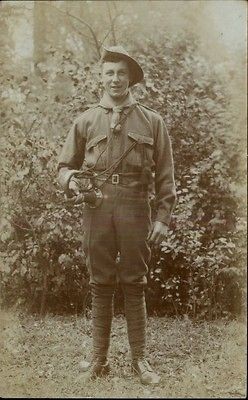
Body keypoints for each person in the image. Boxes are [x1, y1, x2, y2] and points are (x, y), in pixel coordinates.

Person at [57, 45, 177, 385]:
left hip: (136, 206)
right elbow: (64, 167)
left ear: (131, 79)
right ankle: (98, 359)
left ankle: (140, 360)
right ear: (101, 77)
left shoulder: (152, 121)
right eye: (109, 72)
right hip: (96, 207)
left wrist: (163, 217)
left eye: (121, 73)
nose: (115, 79)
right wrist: (72, 182)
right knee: (100, 282)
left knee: (134, 282)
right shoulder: (85, 120)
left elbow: (166, 177)